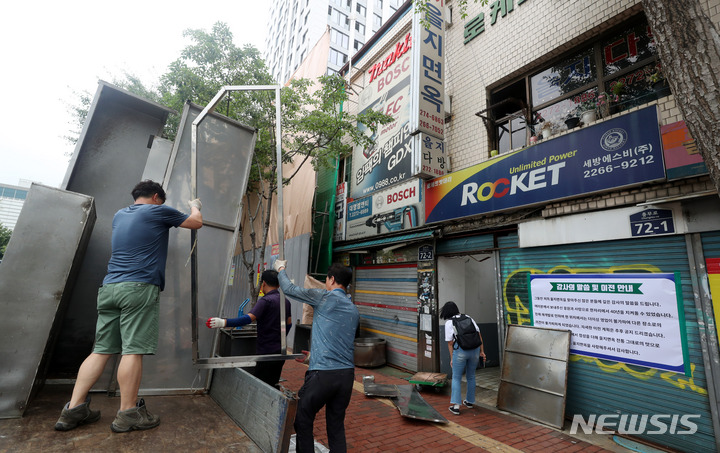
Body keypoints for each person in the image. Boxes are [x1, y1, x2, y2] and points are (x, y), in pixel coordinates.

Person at [54, 180, 202, 433]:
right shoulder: (158, 210)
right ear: (156, 197)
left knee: (101, 350)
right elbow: (195, 223)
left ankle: (73, 410)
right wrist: (194, 206)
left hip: (110, 287)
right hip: (138, 288)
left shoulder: (120, 215)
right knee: (132, 350)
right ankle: (128, 413)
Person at [272, 260, 358, 453]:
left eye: (327, 279)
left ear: (332, 279)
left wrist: (280, 269)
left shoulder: (324, 297)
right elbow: (339, 340)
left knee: (303, 419)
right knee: (336, 426)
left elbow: (289, 289)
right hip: (346, 377)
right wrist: (313, 357)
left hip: (323, 375)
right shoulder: (353, 309)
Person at [205, 269, 292, 387]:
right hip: (280, 352)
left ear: (264, 283)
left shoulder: (265, 301)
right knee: (273, 383)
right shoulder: (285, 301)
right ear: (278, 284)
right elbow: (289, 324)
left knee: (262, 385)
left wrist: (223, 322)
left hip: (265, 353)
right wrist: (279, 339)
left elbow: (247, 319)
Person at [440, 301, 485, 416]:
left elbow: (450, 343)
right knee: (471, 376)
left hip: (460, 351)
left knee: (456, 378)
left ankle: (456, 406)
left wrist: (452, 358)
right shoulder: (468, 317)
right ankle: (469, 402)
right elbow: (478, 334)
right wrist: (482, 352)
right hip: (474, 350)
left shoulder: (449, 323)